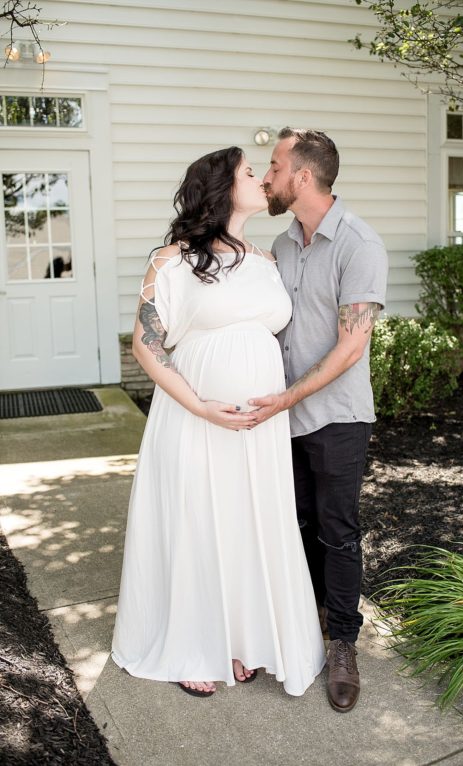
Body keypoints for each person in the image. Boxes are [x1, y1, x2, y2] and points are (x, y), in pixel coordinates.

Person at [111, 147, 326, 698]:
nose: (260, 179)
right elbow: (146, 345)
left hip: (260, 424)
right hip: (195, 415)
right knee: (198, 520)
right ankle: (190, 644)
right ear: (222, 189)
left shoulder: (267, 260)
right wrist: (203, 406)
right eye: (249, 173)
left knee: (244, 521)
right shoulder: (174, 259)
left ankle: (234, 636)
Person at [249, 128, 388, 713]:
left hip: (334, 416)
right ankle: (306, 625)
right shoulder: (280, 246)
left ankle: (343, 645)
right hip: (282, 415)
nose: (267, 177)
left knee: (337, 528)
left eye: (275, 167)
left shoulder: (359, 243)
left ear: (302, 176)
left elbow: (351, 347)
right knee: (296, 522)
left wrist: (288, 399)